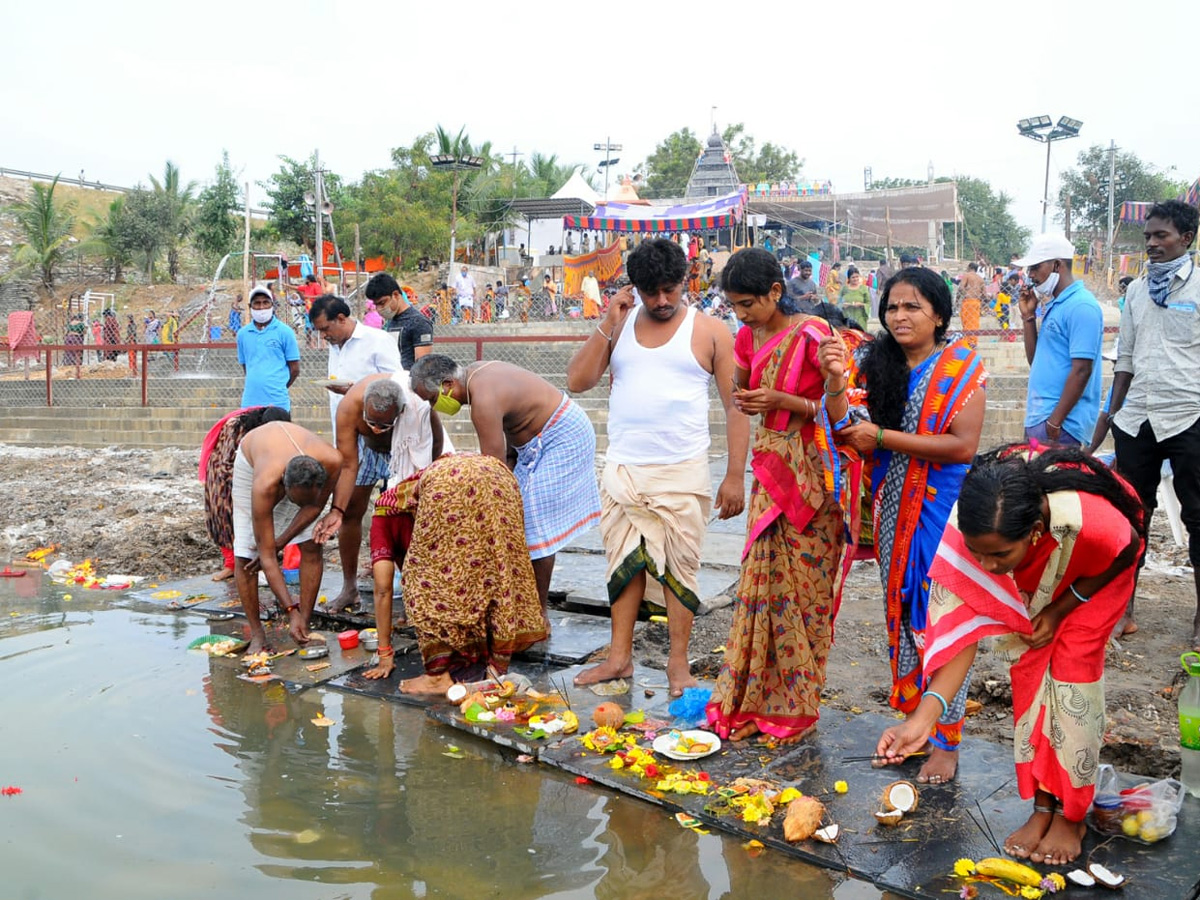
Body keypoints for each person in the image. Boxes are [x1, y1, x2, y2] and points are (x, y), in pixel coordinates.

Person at [875, 445, 1145, 866]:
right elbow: (961, 639)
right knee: (1031, 672)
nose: (985, 564)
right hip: (1038, 568)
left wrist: (1061, 607)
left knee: (1072, 678)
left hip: (1095, 575)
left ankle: (1071, 815)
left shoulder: (1087, 519)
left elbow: (1128, 546)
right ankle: (1042, 807)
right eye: (977, 552)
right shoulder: (970, 531)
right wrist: (921, 721)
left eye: (999, 555)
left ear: (1035, 530)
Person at [566, 237, 749, 697]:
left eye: (670, 289)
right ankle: (619, 657)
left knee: (680, 570)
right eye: (652, 292)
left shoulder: (710, 331)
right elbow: (577, 381)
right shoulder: (620, 324)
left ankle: (677, 665)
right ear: (636, 288)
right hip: (624, 470)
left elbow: (737, 407)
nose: (662, 301)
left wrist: (733, 475)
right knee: (623, 566)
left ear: (685, 283)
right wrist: (609, 324)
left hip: (683, 471)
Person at [838, 266, 987, 782]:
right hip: (891, 510)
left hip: (943, 513)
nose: (899, 316)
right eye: (893, 306)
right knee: (903, 614)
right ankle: (914, 719)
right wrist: (837, 379)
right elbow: (843, 420)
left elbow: (961, 447)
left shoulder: (960, 367)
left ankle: (946, 739)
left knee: (944, 620)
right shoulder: (876, 364)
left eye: (912, 307)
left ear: (939, 314)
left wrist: (881, 438)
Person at [702, 248, 849, 743]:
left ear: (775, 293)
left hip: (812, 474)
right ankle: (752, 702)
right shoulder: (746, 335)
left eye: (748, 304)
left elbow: (842, 412)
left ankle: (797, 707)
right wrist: (746, 392)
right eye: (734, 306)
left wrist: (784, 401)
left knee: (804, 590)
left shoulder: (813, 335)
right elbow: (742, 388)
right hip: (770, 468)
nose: (741, 315)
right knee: (760, 587)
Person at [1090, 200, 1200, 648]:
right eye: (1148, 237)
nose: (1152, 244)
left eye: (1161, 236)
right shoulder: (1135, 291)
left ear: (1186, 239)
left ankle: (1198, 620)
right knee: (1132, 517)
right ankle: (1124, 610)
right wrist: (1108, 419)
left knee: (1198, 519)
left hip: (1188, 416)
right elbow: (1127, 361)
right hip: (1137, 420)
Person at [409, 354, 601, 611]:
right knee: (514, 515)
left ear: (447, 385)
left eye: (433, 400)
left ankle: (536, 611)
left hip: (562, 436)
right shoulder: (473, 374)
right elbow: (507, 444)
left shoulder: (483, 400)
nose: (434, 407)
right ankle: (518, 597)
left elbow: (492, 470)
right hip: (531, 445)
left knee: (533, 521)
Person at [361, 454, 550, 693]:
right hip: (498, 475)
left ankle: (437, 678)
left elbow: (383, 588)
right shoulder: (411, 500)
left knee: (424, 584)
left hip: (447, 483)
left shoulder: (383, 512)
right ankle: (495, 670)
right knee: (494, 572)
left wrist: (385, 653)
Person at [312, 373, 446, 613]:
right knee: (351, 509)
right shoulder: (349, 408)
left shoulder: (417, 407)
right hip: (368, 454)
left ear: (400, 412)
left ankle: (419, 590)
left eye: (384, 425)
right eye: (371, 422)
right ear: (364, 408)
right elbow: (348, 464)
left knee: (412, 518)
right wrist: (337, 510)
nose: (376, 429)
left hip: (409, 451)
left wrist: (431, 476)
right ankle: (349, 588)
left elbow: (435, 443)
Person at [308, 294, 402, 607]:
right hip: (351, 438)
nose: (324, 336)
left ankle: (412, 588)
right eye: (320, 332)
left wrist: (354, 390)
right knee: (349, 510)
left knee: (403, 512)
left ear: (342, 318)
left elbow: (396, 384)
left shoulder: (378, 340)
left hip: (388, 436)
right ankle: (349, 589)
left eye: (326, 329)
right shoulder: (335, 348)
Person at [232, 422, 342, 654]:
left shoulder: (332, 460)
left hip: (297, 471)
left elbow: (314, 507)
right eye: (294, 501)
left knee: (312, 544)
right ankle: (258, 636)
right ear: (285, 486)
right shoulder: (264, 485)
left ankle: (305, 623)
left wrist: (281, 541)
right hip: (253, 460)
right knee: (246, 556)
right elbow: (267, 556)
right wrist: (290, 609)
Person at [1014, 234, 1103, 447]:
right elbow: (1036, 360)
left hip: (1061, 425)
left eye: (1035, 267)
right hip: (1041, 418)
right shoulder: (1055, 305)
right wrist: (1028, 317)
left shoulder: (1081, 306)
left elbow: (1082, 370)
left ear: (1056, 265)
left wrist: (1054, 423)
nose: (1031, 275)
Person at [200, 406, 292, 581]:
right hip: (223, 477)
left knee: (260, 519)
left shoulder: (280, 432)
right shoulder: (236, 427)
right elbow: (224, 462)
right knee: (224, 520)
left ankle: (258, 563)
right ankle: (232, 565)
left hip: (253, 475)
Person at [236, 284, 300, 412]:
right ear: (250, 307)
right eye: (257, 303)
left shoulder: (285, 332)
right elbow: (246, 366)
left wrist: (280, 386)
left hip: (277, 402)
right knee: (251, 432)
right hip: (250, 401)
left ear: (272, 305)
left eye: (266, 303)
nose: (261, 307)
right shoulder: (242, 334)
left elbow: (295, 369)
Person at [365, 273, 434, 371]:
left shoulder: (418, 322)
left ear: (396, 295)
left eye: (382, 303)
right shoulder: (391, 321)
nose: (379, 308)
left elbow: (422, 367)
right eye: (376, 305)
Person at [956, 262, 986, 347]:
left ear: (969, 267)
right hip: (977, 302)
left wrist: (957, 300)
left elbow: (961, 288)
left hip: (968, 301)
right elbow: (985, 294)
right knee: (974, 322)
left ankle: (968, 341)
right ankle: (973, 341)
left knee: (967, 321)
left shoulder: (967, 275)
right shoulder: (980, 279)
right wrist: (984, 305)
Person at [837, 265, 871, 330]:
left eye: (857, 277)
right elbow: (838, 303)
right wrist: (843, 305)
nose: (855, 279)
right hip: (847, 321)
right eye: (853, 277)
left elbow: (868, 303)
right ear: (849, 278)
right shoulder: (844, 289)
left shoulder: (863, 288)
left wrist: (861, 304)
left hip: (860, 320)